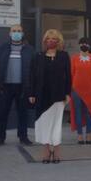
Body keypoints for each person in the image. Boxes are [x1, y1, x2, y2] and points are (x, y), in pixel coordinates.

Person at [28, 29, 71, 164]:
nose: (50, 41)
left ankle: (56, 149)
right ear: (44, 41)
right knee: (44, 124)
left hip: (58, 95)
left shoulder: (64, 56)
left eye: (54, 39)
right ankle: (46, 150)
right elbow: (32, 76)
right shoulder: (38, 56)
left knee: (57, 124)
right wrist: (31, 93)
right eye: (48, 39)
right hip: (42, 95)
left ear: (58, 41)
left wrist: (68, 93)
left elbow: (68, 76)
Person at [0, 24, 34, 147]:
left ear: (22, 33)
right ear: (10, 33)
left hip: (22, 87)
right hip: (5, 87)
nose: (16, 33)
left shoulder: (29, 49)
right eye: (14, 31)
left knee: (23, 113)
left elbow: (34, 69)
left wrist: (31, 87)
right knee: (2, 113)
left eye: (19, 31)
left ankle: (23, 137)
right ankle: (0, 138)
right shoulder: (2, 48)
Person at [70, 37, 91, 144]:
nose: (84, 45)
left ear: (89, 46)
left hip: (90, 89)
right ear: (79, 45)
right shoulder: (74, 58)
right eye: (82, 43)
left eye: (86, 44)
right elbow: (71, 74)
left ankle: (88, 134)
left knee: (89, 113)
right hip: (76, 90)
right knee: (77, 112)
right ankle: (79, 134)